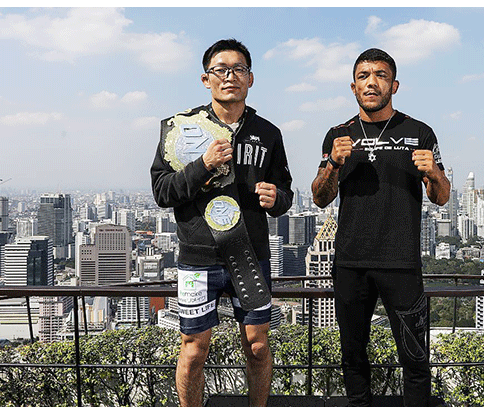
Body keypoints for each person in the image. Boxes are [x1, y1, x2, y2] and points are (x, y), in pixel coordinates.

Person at [151, 38, 293, 407]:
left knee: (258, 347)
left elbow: (285, 193)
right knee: (193, 350)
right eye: (221, 70)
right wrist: (203, 165)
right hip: (198, 258)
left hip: (250, 255)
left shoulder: (269, 133)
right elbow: (162, 191)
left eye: (239, 69)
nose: (230, 76)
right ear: (206, 79)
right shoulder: (181, 129)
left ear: (250, 78)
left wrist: (277, 198)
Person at [311, 48, 450, 407]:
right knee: (352, 354)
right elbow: (320, 198)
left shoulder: (419, 132)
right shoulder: (338, 134)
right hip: (350, 263)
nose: (371, 82)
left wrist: (434, 172)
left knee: (415, 356)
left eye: (381, 75)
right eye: (363, 76)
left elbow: (441, 197)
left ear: (394, 85)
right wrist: (333, 164)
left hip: (401, 262)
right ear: (353, 87)